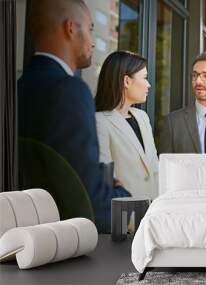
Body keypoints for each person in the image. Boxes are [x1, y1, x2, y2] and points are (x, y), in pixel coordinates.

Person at [18, 0, 130, 233]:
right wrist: (123, 196)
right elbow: (89, 207)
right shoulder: (69, 91)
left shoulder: (19, 88)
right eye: (90, 29)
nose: (91, 41)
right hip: (61, 244)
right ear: (71, 28)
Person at [95, 51, 158, 200]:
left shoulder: (142, 117)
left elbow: (154, 167)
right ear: (127, 81)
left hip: (153, 211)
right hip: (124, 214)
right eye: (144, 78)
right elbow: (107, 179)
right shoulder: (99, 122)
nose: (148, 84)